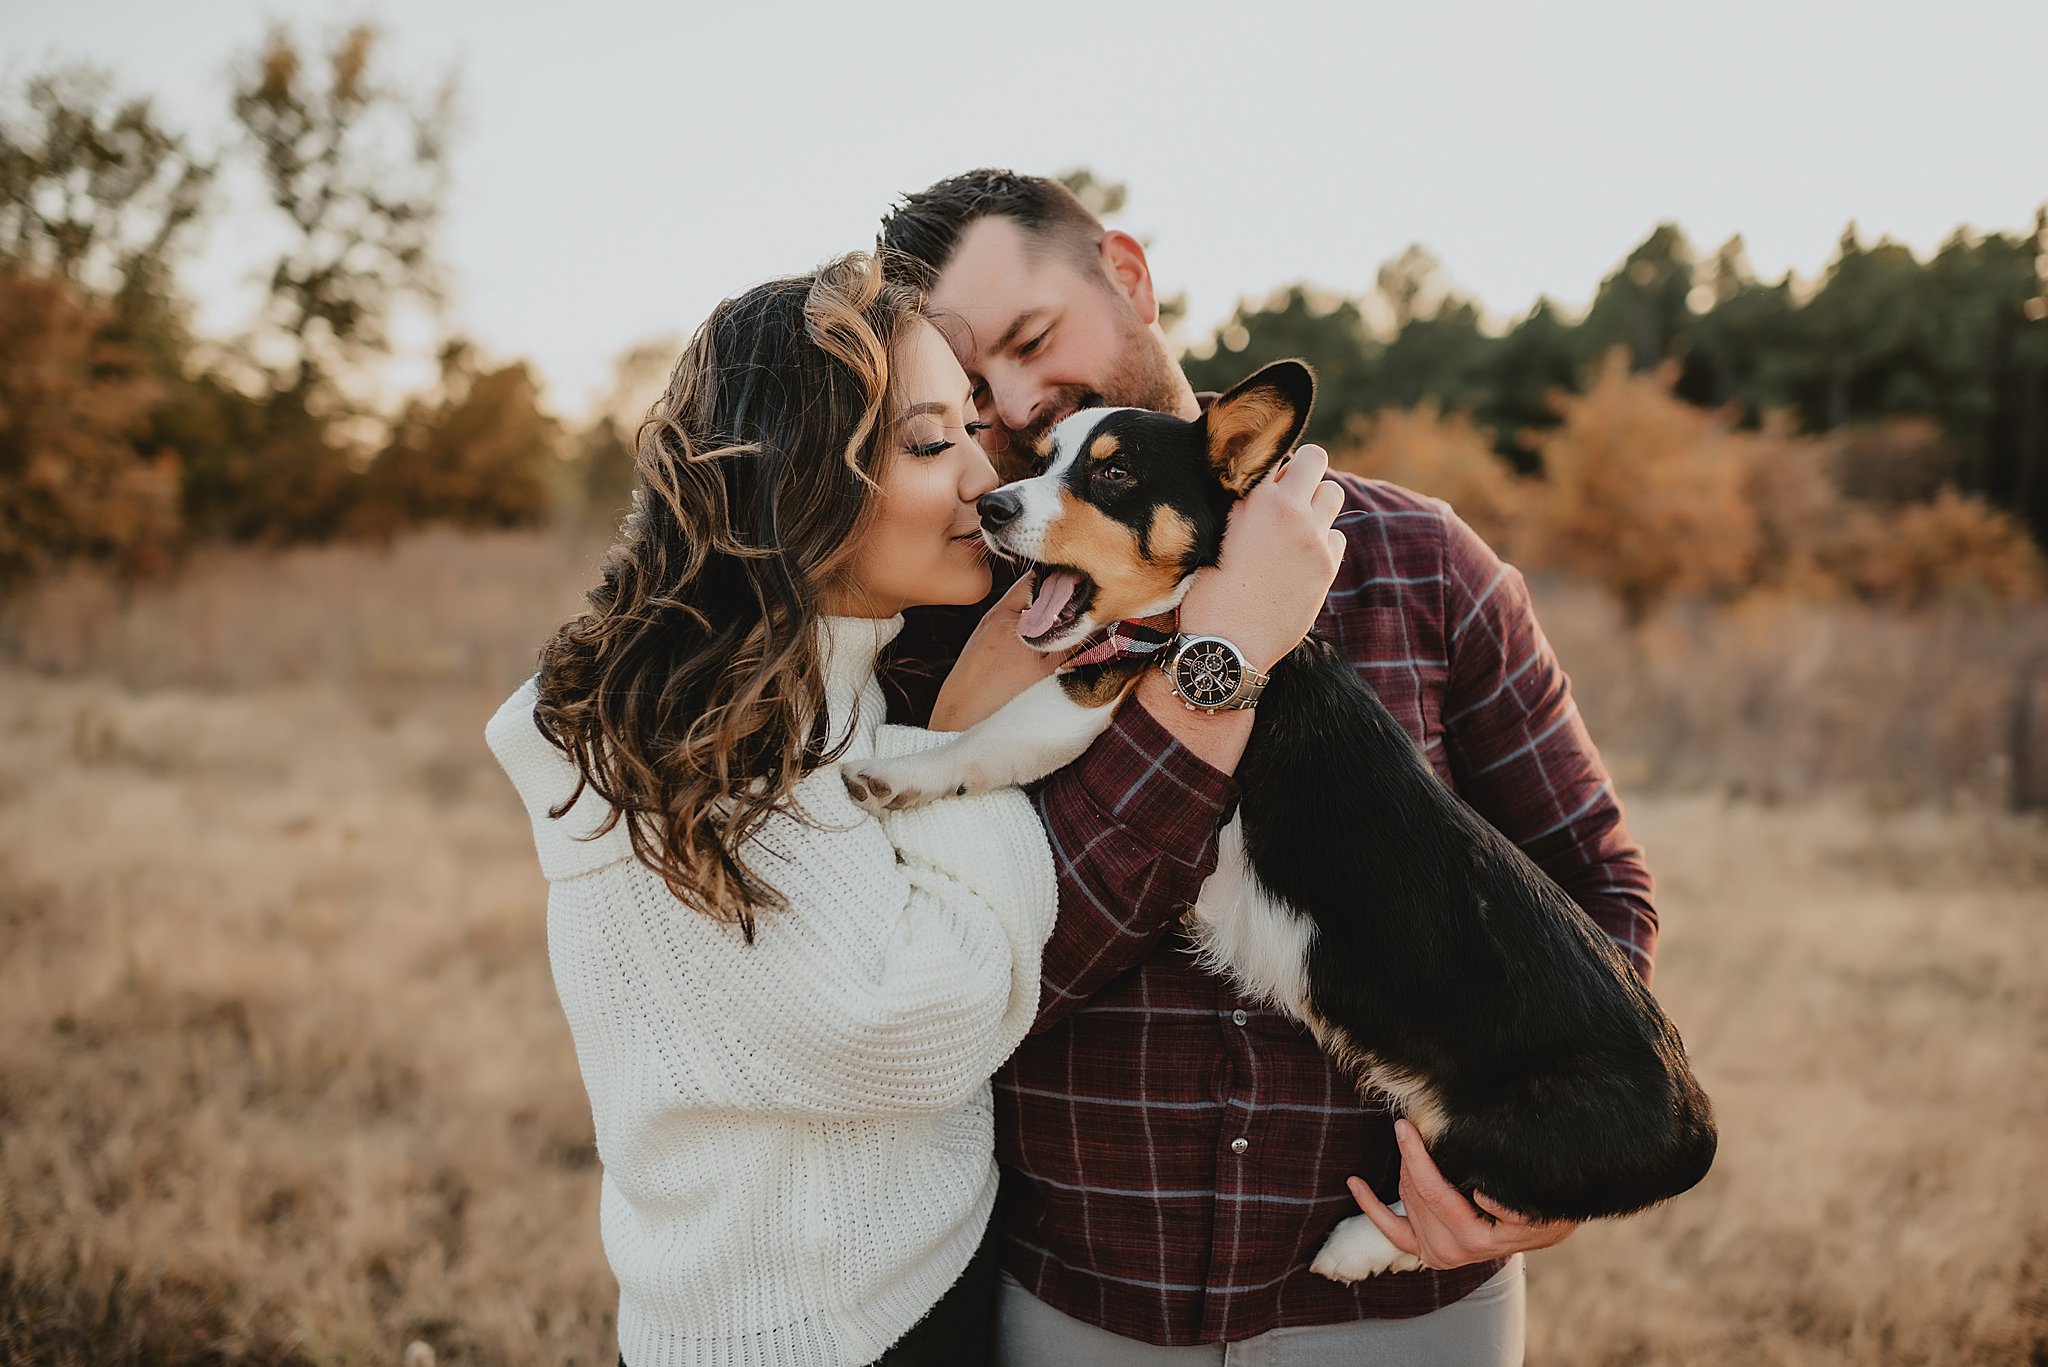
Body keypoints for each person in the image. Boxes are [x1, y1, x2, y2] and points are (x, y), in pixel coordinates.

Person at [875, 171, 1660, 1364]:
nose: (1023, 404)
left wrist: (1548, 1149)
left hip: (1408, 1307)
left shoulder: (1419, 560)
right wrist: (1221, 657)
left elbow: (1597, 892)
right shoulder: (963, 615)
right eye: (974, 389)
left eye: (1034, 339)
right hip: (1084, 1301)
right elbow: (976, 977)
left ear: (1127, 277)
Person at [486, 253, 1069, 1367]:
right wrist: (967, 750)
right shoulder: (699, 741)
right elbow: (906, 1021)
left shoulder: (799, 687)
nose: (980, 478)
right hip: (820, 1332)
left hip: (886, 1291)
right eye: (927, 440)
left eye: (972, 430)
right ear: (796, 472)